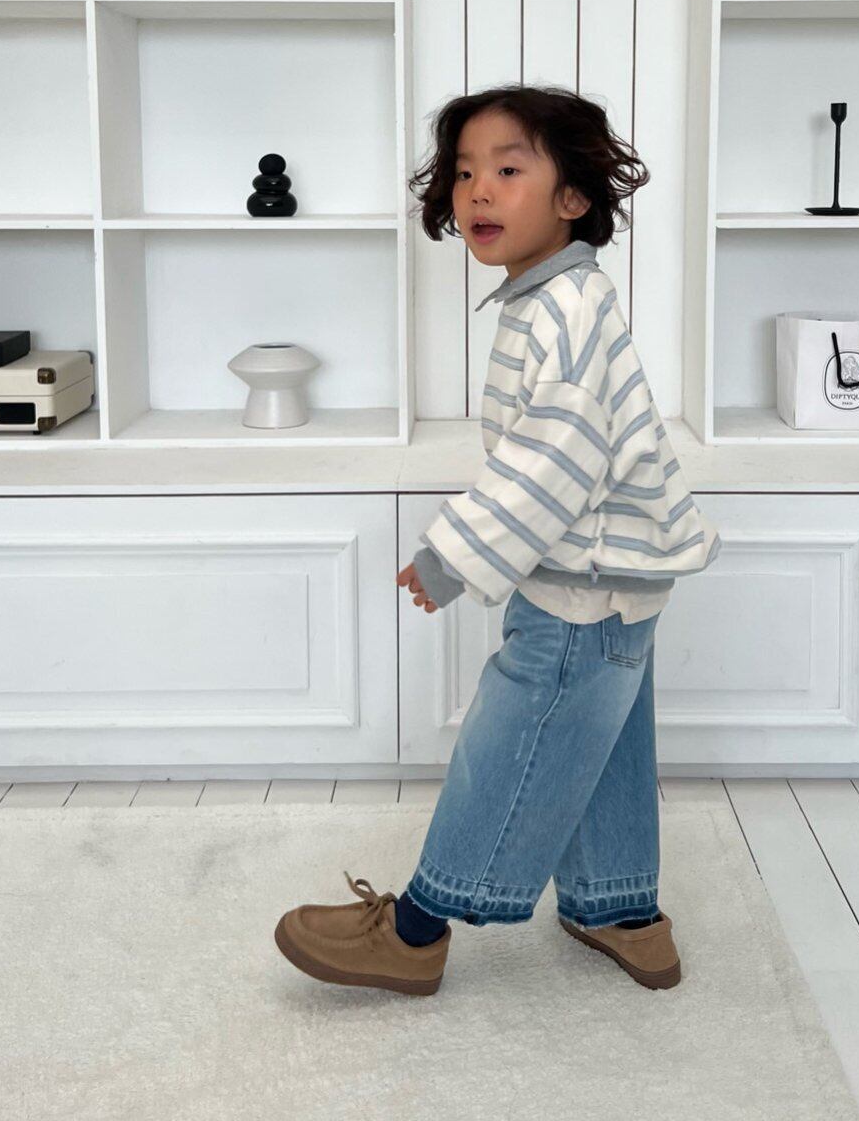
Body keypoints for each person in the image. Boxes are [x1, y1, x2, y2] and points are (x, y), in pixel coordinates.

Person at [274, 83, 723, 997]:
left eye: (509, 170)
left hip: (584, 581)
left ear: (573, 197)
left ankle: (415, 930)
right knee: (599, 740)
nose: (478, 190)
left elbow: (553, 455)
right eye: (465, 172)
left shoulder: (563, 311)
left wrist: (453, 555)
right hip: (612, 573)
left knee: (518, 738)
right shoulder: (554, 297)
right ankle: (623, 910)